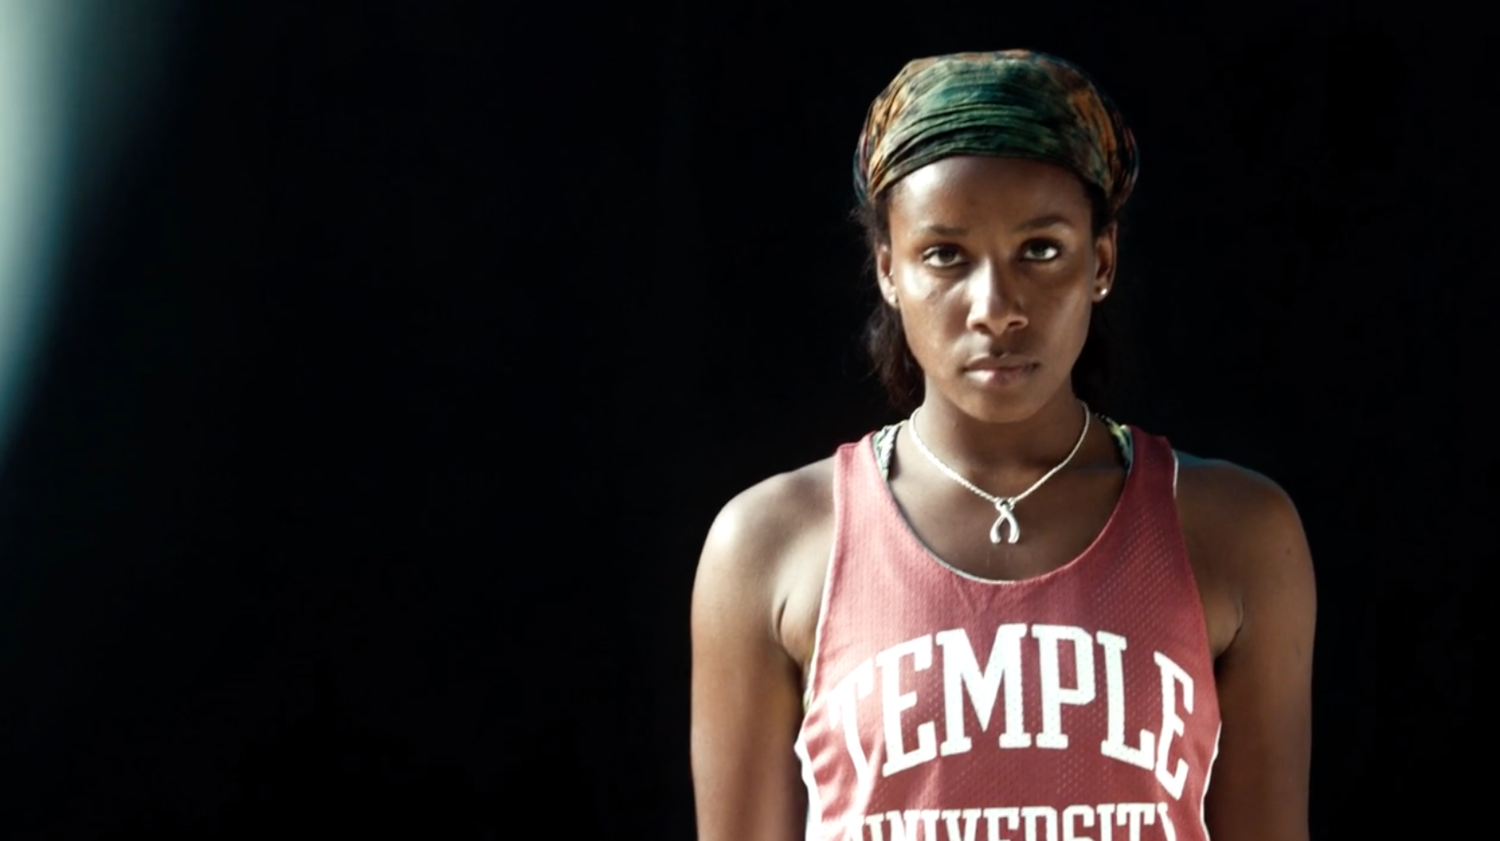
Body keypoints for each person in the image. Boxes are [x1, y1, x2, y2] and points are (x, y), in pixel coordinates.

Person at [690, 50, 1315, 841]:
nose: (996, 307)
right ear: (888, 269)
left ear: (1102, 260)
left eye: (1041, 249)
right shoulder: (771, 544)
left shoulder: (1236, 532)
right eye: (945, 254)